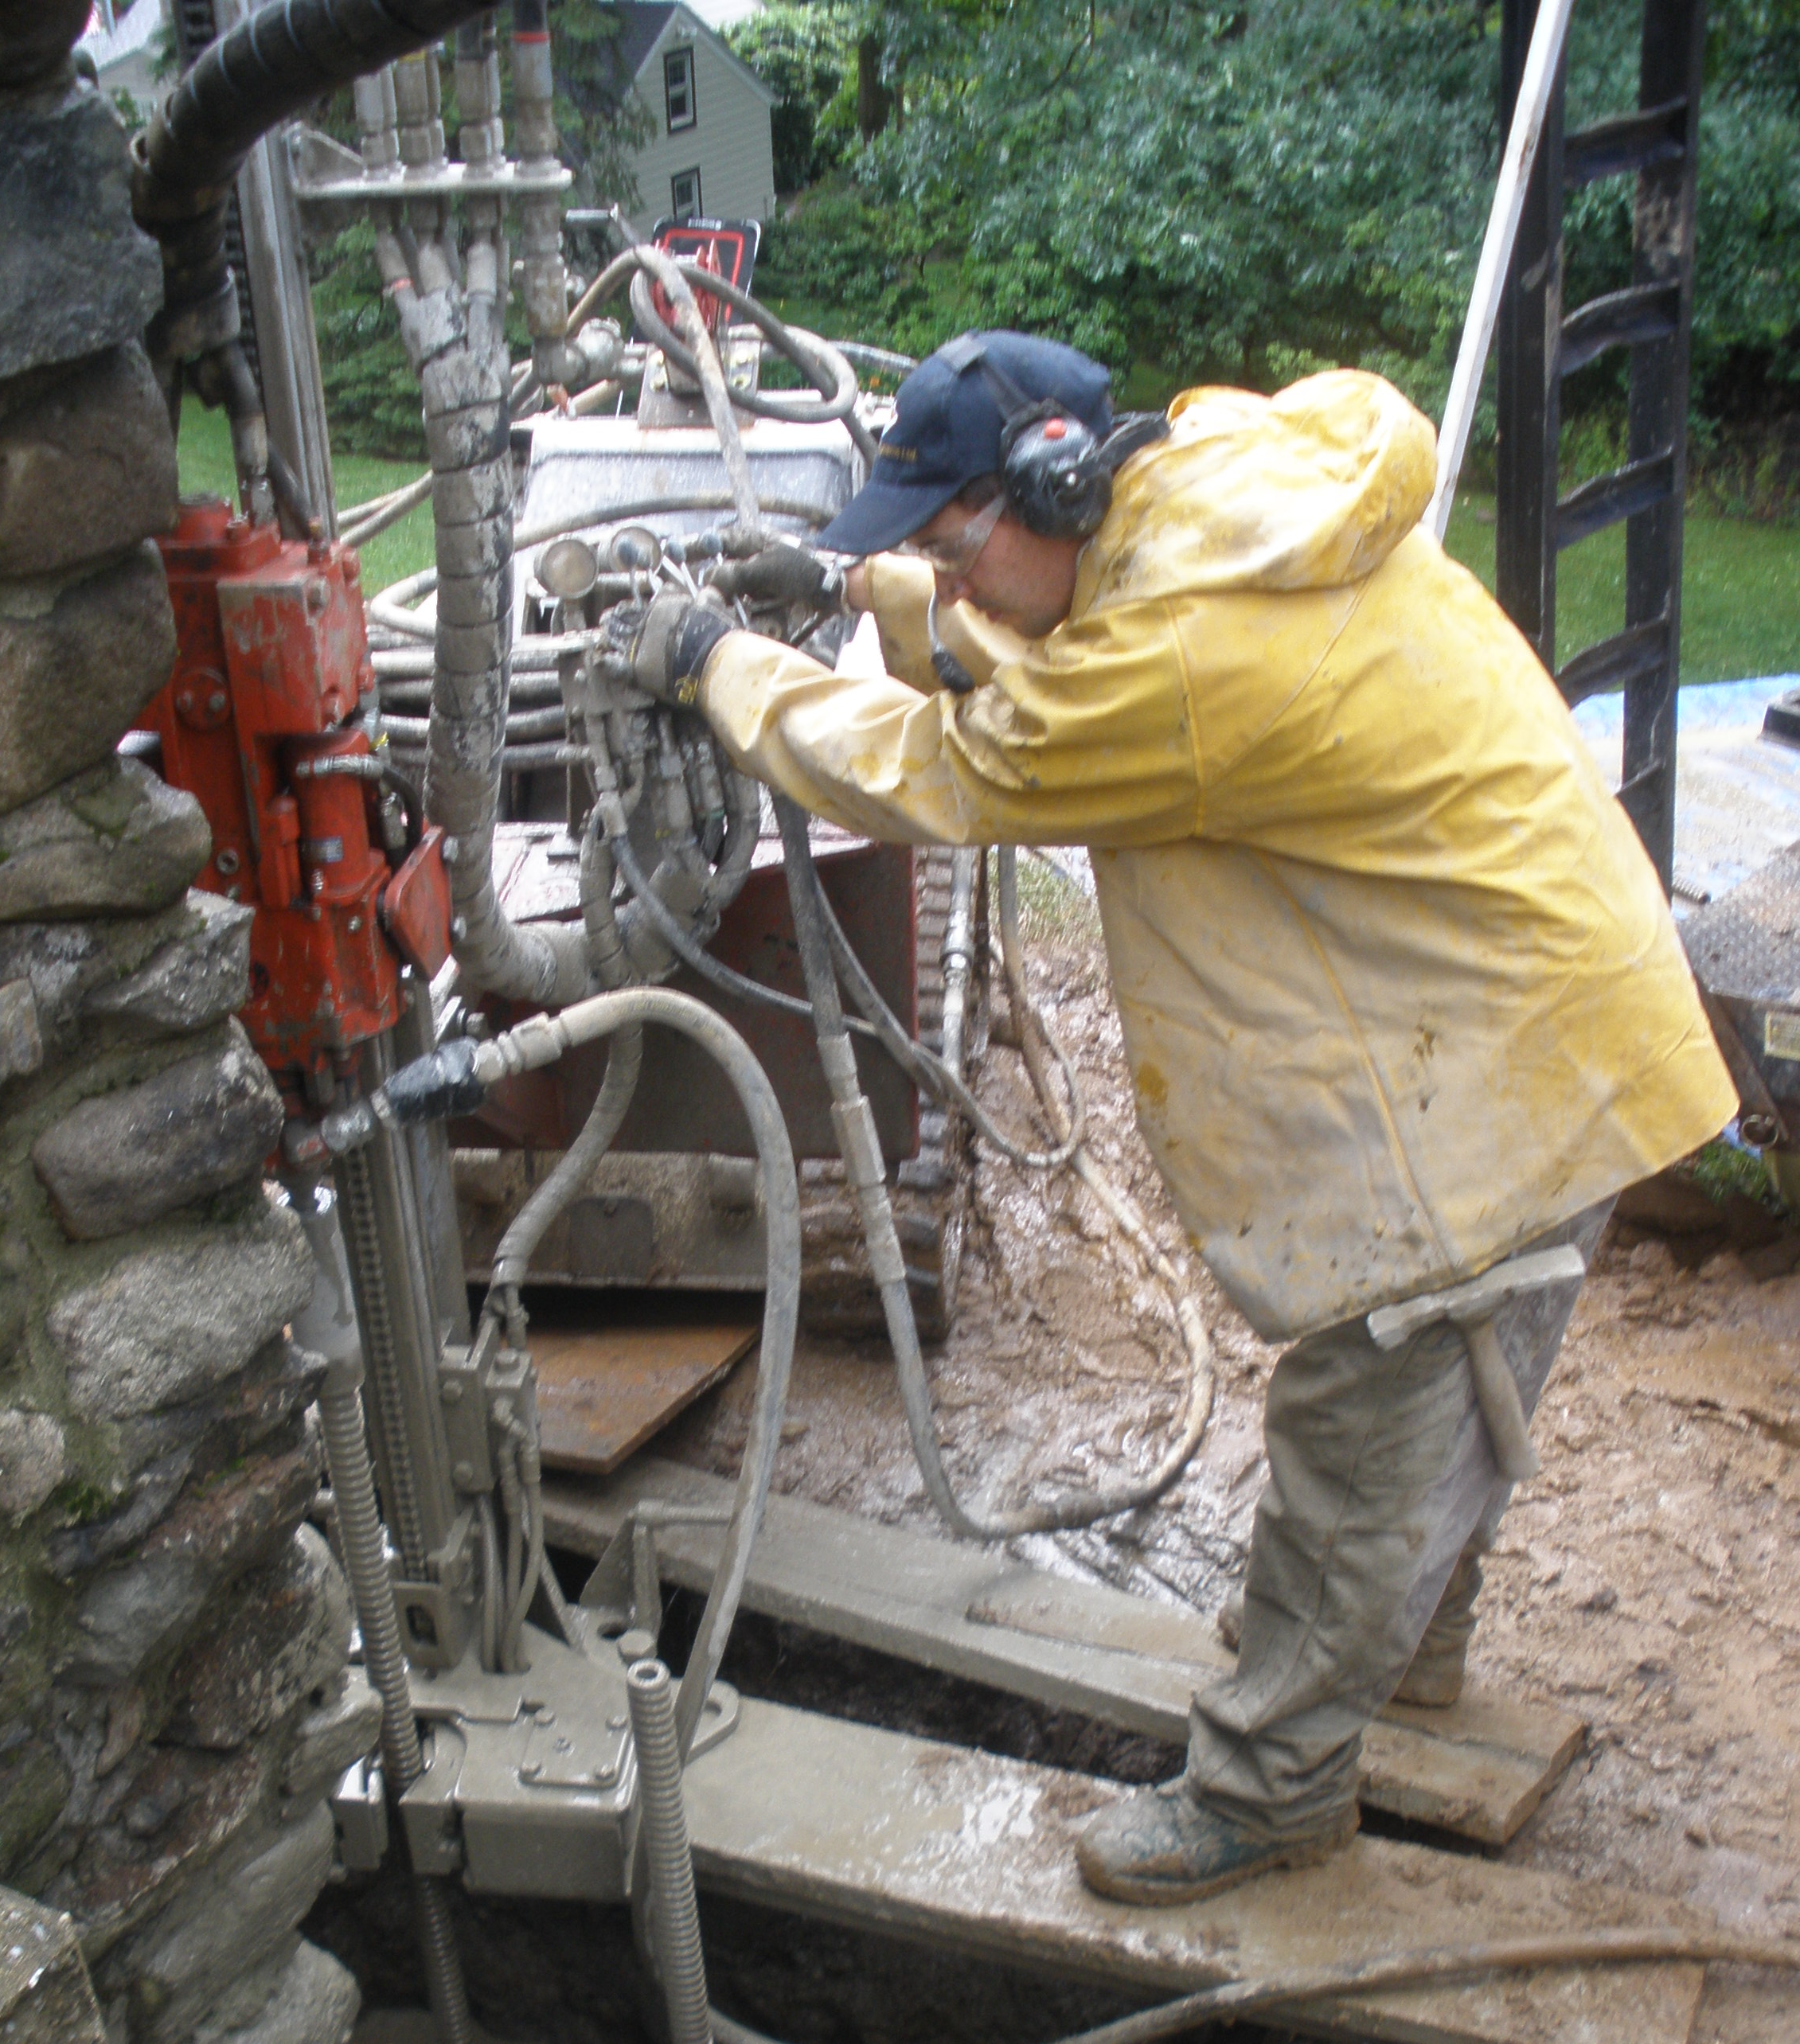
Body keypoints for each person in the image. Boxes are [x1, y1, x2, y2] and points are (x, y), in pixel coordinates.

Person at [629, 330, 1737, 1906]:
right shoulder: (1221, 481)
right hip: (1527, 985)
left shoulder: (1185, 663)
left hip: (1501, 1061)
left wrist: (717, 663)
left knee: (1382, 1393)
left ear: (1056, 478)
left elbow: (952, 761)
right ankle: (1406, 1656)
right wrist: (855, 586)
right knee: (1437, 1380)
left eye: (953, 551)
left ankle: (1271, 1789)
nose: (949, 588)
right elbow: (1059, 647)